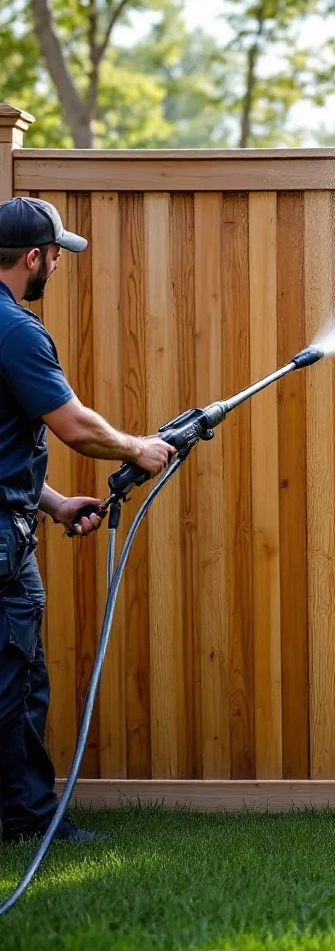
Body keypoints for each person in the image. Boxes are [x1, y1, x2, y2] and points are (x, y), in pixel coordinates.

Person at [0, 197, 174, 844]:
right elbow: (73, 426)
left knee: (16, 676)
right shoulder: (15, 330)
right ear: (36, 257)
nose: (56, 267)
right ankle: (28, 822)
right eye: (54, 256)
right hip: (2, 544)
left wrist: (53, 502)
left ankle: (24, 815)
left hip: (15, 518)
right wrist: (137, 448)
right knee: (14, 681)